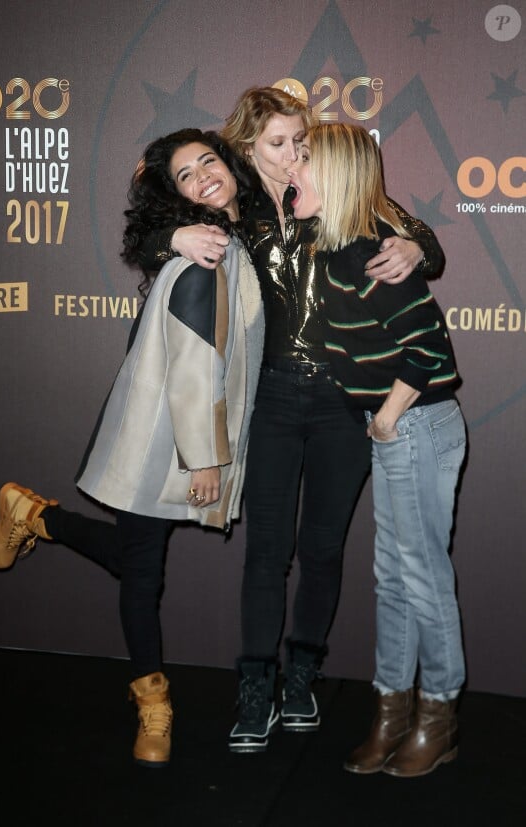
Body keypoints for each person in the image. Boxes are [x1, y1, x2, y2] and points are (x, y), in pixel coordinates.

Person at [135, 87, 446, 754]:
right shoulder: (235, 209)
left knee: (325, 548)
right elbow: (148, 231)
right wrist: (172, 233)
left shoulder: (330, 193)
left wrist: (418, 248)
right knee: (266, 551)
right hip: (271, 398)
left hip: (343, 401)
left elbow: (417, 237)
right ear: (245, 147)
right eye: (276, 144)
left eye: (300, 142)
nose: (292, 155)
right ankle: (256, 685)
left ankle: (302, 673)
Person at [0, 129, 265, 769]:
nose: (203, 177)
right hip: (168, 442)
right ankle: (152, 702)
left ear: (230, 166)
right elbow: (196, 368)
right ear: (177, 196)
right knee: (142, 572)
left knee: (136, 559)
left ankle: (33, 515)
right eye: (186, 175)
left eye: (208, 162)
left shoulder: (234, 239)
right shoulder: (204, 255)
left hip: (185, 433)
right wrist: (205, 460)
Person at [288, 122, 466, 777]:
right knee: (393, 580)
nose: (290, 170)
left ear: (336, 175)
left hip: (416, 424)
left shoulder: (375, 255)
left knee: (422, 580)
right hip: (392, 429)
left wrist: (387, 416)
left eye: (304, 159)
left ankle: (440, 716)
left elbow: (430, 351)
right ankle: (393, 713)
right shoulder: (327, 246)